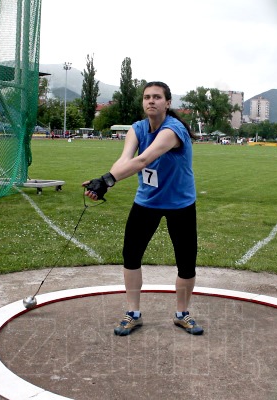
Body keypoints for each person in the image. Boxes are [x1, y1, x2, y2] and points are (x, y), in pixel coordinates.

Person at [82, 81, 203, 336]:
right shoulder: (136, 129)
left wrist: (107, 180)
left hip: (180, 204)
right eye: (147, 97)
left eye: (157, 97)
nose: (151, 101)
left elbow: (144, 159)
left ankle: (182, 314)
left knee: (186, 262)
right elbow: (125, 159)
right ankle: (133, 313)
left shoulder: (173, 130)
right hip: (147, 201)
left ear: (167, 103)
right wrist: (104, 183)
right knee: (131, 256)